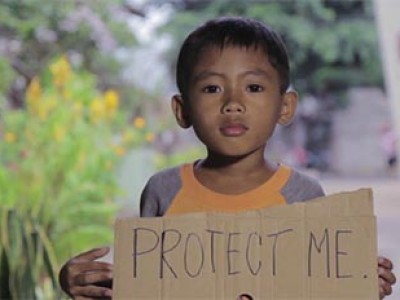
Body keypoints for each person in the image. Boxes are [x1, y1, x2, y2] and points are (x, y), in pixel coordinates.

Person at [59, 16, 396, 299]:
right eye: (211, 89)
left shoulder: (304, 196)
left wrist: (359, 284)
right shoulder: (164, 190)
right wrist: (90, 283)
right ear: (182, 110)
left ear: (285, 106)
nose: (233, 103)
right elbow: (146, 286)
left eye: (253, 87)